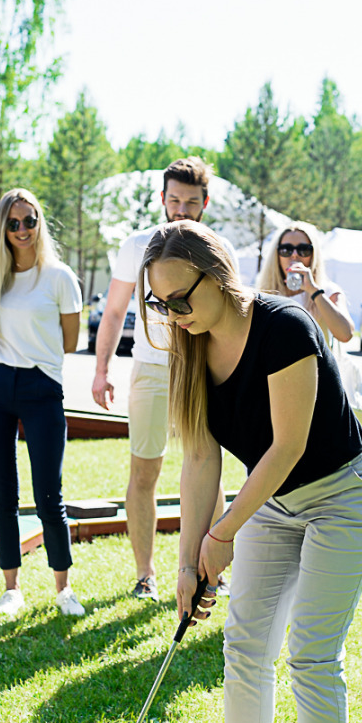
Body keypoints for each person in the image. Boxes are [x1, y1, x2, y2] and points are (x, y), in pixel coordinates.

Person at [140, 221, 362, 723]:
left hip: (340, 496)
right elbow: (198, 460)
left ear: (216, 278)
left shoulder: (284, 327)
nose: (173, 316)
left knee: (311, 653)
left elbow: (286, 447)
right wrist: (189, 561)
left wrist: (222, 537)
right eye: (160, 305)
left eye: (180, 300)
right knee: (245, 644)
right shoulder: (190, 349)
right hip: (271, 506)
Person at [92, 158, 235, 603]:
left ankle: (213, 572)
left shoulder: (217, 249)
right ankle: (144, 575)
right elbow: (115, 311)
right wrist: (101, 370)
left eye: (191, 202)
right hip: (151, 371)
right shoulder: (137, 245)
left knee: (207, 468)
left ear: (204, 203)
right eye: (174, 200)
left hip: (202, 371)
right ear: (162, 199)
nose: (181, 209)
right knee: (144, 471)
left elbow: (233, 317)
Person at [0, 188, 85, 618]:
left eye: (30, 220)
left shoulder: (59, 277)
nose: (23, 230)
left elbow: (71, 340)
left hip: (42, 387)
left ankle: (63, 589)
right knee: (2, 493)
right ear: (3, 228)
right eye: (13, 223)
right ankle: (11, 588)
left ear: (40, 222)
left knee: (48, 495)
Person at [258, 221, 354, 345]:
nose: (294, 256)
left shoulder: (328, 291)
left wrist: (314, 291)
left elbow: (345, 335)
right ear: (276, 255)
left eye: (303, 250)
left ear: (314, 255)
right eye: (286, 250)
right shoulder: (265, 294)